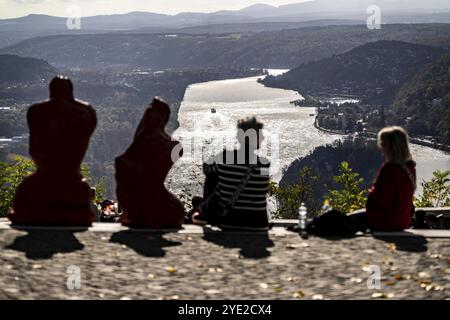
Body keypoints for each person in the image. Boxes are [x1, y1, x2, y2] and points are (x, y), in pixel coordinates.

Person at [9, 76, 97, 226]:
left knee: (26, 197)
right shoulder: (86, 112)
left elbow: (34, 148)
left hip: (46, 175)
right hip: (72, 178)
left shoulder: (37, 111)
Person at [115, 97, 185, 228]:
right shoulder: (175, 146)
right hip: (157, 198)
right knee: (175, 210)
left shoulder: (141, 146)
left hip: (138, 201)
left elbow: (123, 167)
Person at [195, 116, 271, 231]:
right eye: (260, 134)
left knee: (213, 175)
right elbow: (264, 190)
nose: (263, 137)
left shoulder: (225, 158)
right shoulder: (264, 164)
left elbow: (206, 168)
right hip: (259, 224)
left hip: (230, 222)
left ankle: (205, 214)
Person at [352, 126, 417, 231]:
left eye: (382, 144)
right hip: (402, 221)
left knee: (347, 220)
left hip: (385, 222)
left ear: (390, 147)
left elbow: (381, 201)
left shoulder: (390, 169)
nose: (381, 147)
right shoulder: (410, 168)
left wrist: (371, 198)